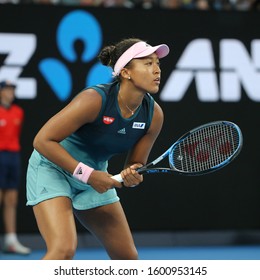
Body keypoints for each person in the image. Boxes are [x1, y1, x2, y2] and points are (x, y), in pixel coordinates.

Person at [26, 38, 170, 260]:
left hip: (95, 175)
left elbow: (136, 163)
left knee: (128, 260)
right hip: (52, 169)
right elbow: (42, 141)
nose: (157, 70)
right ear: (126, 72)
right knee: (63, 250)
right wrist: (88, 175)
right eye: (148, 63)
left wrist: (133, 174)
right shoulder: (94, 99)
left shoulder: (154, 115)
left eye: (157, 64)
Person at [0, 80, 31, 255]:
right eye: (7, 89)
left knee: (11, 200)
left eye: (12, 89)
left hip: (13, 157)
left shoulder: (19, 112)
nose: (10, 92)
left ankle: (11, 240)